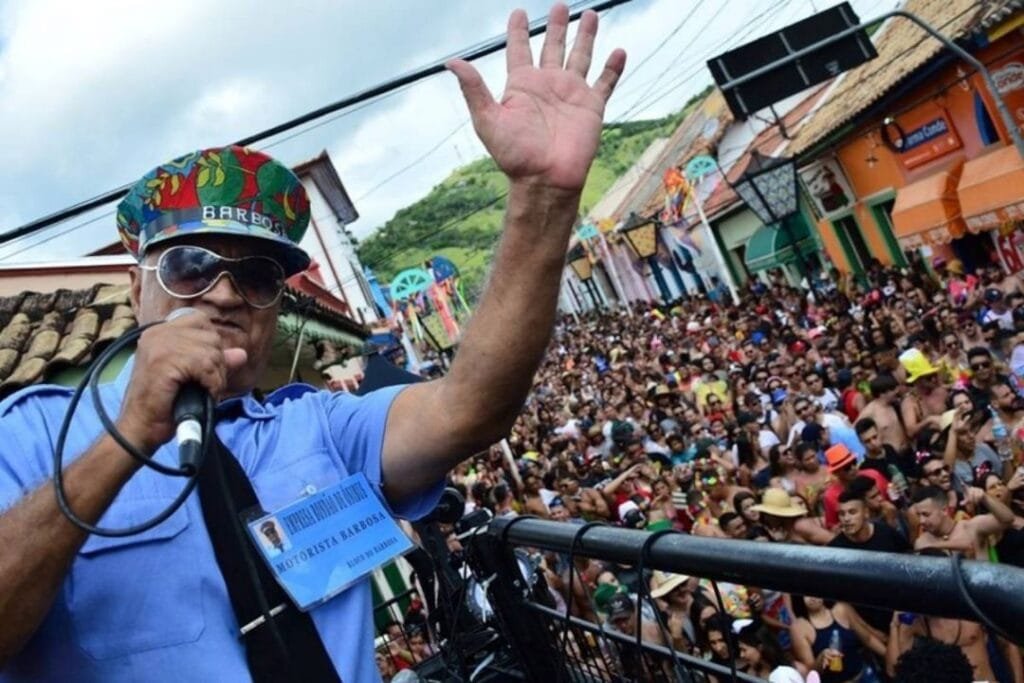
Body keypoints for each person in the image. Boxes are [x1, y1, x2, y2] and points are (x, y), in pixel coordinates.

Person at [0, 6, 628, 680]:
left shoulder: (322, 427)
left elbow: (471, 407)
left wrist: (541, 198)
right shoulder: (31, 437)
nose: (224, 294)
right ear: (136, 290)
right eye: (190, 266)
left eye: (256, 275)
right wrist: (127, 436)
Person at [789, 595, 885, 683]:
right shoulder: (799, 628)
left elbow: (868, 639)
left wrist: (889, 657)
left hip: (864, 675)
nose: (812, 598)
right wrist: (820, 659)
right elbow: (810, 674)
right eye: (806, 595)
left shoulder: (842, 609)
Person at [912, 485, 1016, 560]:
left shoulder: (972, 527)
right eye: (918, 515)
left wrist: (984, 497)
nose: (921, 521)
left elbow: (1008, 519)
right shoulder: (922, 541)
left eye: (926, 514)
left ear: (944, 510)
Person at [820, 445, 889, 531]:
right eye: (847, 467)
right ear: (836, 472)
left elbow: (892, 498)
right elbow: (832, 526)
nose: (853, 468)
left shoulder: (873, 475)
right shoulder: (830, 496)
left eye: (854, 462)